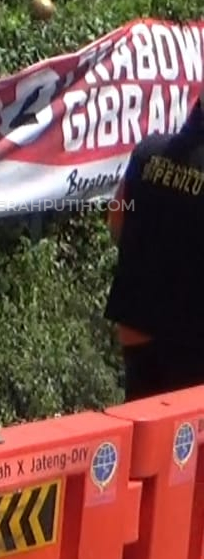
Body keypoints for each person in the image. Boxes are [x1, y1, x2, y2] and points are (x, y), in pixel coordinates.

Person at [103, 96, 204, 401]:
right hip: (193, 335)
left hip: (138, 326)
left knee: (146, 432)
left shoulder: (146, 153)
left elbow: (116, 223)